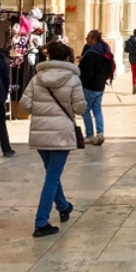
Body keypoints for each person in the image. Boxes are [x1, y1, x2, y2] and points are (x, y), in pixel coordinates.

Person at [19, 41, 85, 237]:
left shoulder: (37, 78)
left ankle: (64, 206)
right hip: (62, 134)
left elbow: (24, 105)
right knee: (52, 177)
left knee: (52, 174)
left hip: (41, 133)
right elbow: (80, 108)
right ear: (66, 59)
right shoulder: (73, 80)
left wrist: (41, 109)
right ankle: (41, 222)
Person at [78, 30, 113, 145]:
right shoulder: (105, 50)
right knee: (97, 109)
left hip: (90, 86)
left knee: (85, 109)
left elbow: (86, 72)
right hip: (100, 85)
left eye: (88, 38)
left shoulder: (91, 53)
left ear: (93, 39)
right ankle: (100, 132)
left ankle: (89, 135)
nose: (86, 40)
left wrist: (82, 83)